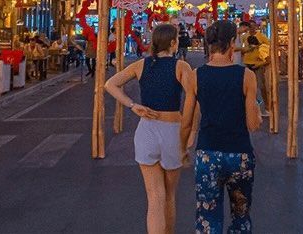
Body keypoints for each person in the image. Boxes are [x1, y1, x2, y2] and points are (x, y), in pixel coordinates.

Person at [104, 24, 195, 234]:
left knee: (154, 197)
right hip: (172, 129)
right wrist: (190, 133)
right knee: (170, 195)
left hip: (146, 130)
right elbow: (193, 99)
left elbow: (110, 84)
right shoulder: (181, 67)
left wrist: (133, 106)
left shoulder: (141, 65)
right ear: (173, 43)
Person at [183, 20, 261, 232]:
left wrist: (183, 147)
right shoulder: (246, 75)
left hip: (207, 153)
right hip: (240, 154)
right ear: (231, 43)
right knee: (241, 215)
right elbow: (252, 125)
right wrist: (257, 113)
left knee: (207, 215)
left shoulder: (196, 75)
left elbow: (187, 119)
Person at [241, 21, 271, 118]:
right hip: (247, 63)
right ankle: (248, 107)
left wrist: (260, 51)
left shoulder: (261, 36)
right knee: (246, 87)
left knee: (261, 86)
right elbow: (242, 48)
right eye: (250, 27)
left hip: (258, 64)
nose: (252, 29)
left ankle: (267, 107)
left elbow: (268, 46)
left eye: (253, 27)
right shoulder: (244, 36)